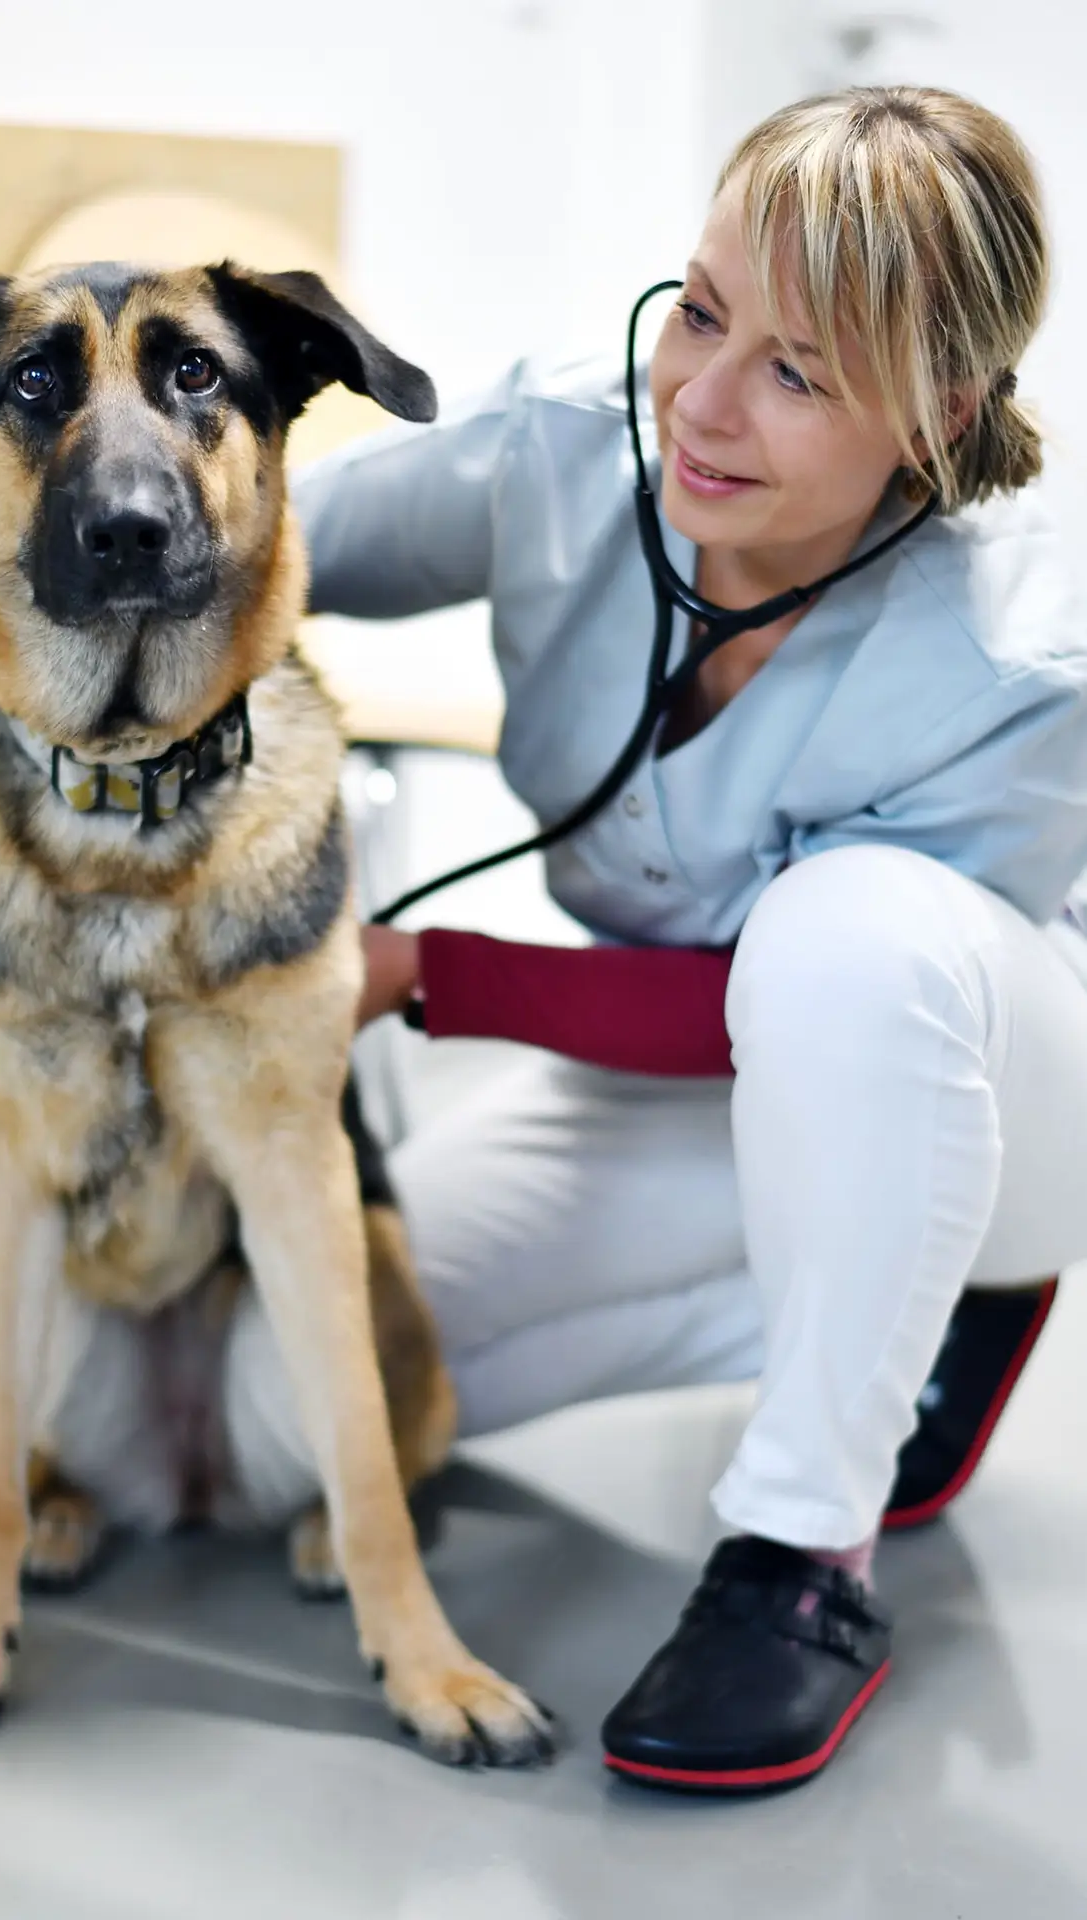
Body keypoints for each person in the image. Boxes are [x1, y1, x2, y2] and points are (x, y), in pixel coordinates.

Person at [234, 83, 1087, 1792]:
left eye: (797, 372)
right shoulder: (569, 446)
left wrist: (419, 976)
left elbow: (777, 998)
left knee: (846, 940)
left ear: (938, 415)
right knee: (283, 1415)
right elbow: (247, 543)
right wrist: (8, 709)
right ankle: (884, 1321)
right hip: (693, 1087)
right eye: (700, 310)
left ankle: (802, 1557)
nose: (697, 400)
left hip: (986, 1091)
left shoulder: (1018, 660)